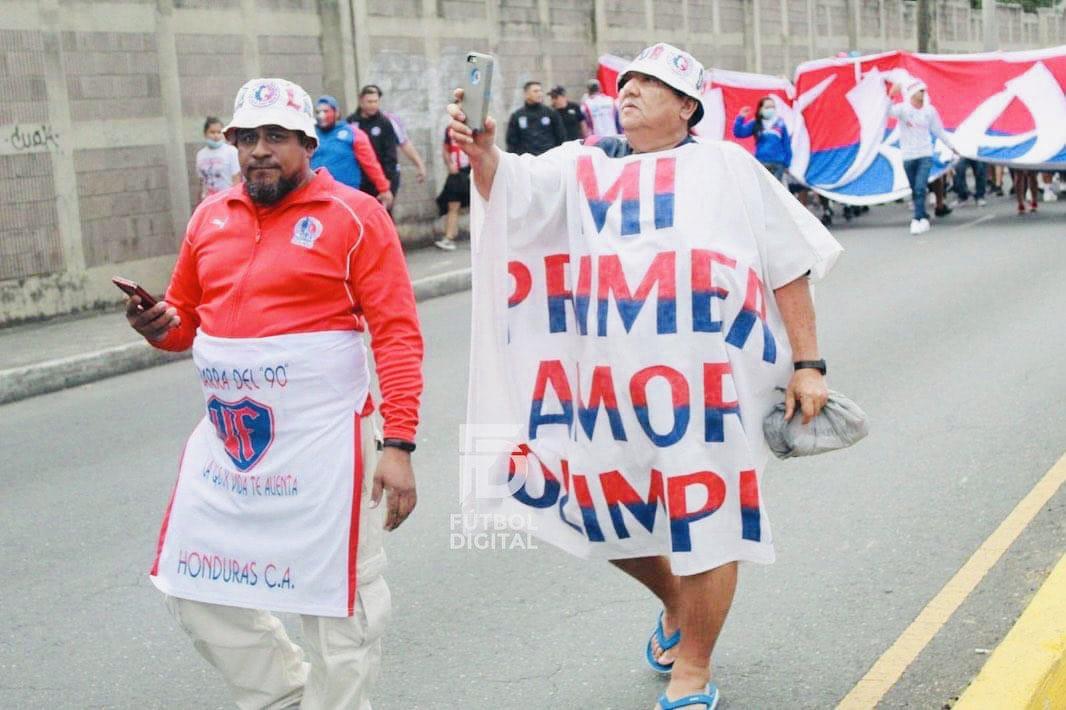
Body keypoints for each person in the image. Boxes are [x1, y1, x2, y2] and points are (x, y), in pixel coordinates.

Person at [449, 43, 842, 710]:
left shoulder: (729, 167)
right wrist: (482, 152)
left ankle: (693, 666)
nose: (628, 92)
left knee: (710, 517)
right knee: (595, 508)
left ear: (688, 106)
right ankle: (673, 599)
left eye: (649, 85)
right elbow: (511, 191)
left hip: (709, 391)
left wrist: (808, 364)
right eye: (625, 82)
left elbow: (787, 263)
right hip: (603, 394)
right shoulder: (582, 167)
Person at [126, 77, 423, 710]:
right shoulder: (209, 217)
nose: (258, 150)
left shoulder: (356, 216)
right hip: (233, 451)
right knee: (192, 584)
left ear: (306, 144)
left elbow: (397, 336)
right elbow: (186, 320)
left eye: (275, 137)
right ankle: (281, 695)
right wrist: (160, 324)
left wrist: (398, 444)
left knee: (340, 609)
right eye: (246, 138)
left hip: (330, 450)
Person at [887, 79, 959, 235]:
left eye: (924, 91)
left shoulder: (930, 111)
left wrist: (952, 147)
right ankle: (922, 214)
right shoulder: (903, 110)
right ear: (913, 93)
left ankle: (918, 219)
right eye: (921, 91)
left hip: (925, 154)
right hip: (908, 155)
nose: (923, 93)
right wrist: (891, 95)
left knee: (920, 187)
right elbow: (887, 112)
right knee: (915, 188)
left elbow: (939, 131)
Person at [347, 84, 428, 211]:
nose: (373, 105)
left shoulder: (387, 121)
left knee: (382, 212)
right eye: (369, 101)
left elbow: (403, 144)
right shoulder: (351, 122)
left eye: (376, 101)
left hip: (387, 175)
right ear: (361, 101)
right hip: (362, 177)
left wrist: (419, 165)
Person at [311, 94, 394, 211]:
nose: (321, 115)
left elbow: (370, 163)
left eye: (326, 111)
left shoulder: (352, 133)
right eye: (318, 111)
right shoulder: (310, 133)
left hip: (346, 195)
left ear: (336, 113)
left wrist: (383, 188)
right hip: (316, 194)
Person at [731, 96, 792, 181]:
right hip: (761, 162)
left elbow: (786, 144)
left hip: (778, 163)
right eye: (767, 107)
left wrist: (787, 163)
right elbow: (739, 133)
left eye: (772, 107)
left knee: (774, 191)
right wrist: (740, 117)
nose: (770, 109)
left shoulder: (780, 124)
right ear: (761, 109)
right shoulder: (756, 123)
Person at [434, 125, 471, 251]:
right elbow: (445, 148)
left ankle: (484, 237)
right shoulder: (449, 129)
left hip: (471, 171)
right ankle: (449, 237)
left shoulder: (474, 125)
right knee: (452, 205)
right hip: (456, 173)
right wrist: (449, 164)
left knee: (478, 203)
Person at [505, 80, 566, 156]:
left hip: (548, 159)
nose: (540, 94)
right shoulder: (517, 116)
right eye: (535, 91)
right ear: (526, 94)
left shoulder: (551, 113)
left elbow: (561, 137)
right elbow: (512, 142)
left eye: (540, 91)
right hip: (527, 161)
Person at [195, 116, 240, 202]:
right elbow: (201, 182)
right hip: (208, 201)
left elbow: (236, 179)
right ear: (205, 134)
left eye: (219, 132)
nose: (216, 135)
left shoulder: (231, 151)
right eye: (212, 132)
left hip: (226, 200)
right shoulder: (200, 154)